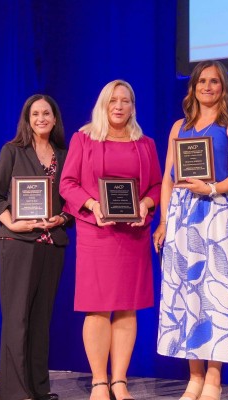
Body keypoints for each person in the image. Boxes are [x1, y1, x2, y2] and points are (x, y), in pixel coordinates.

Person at [59, 80, 162, 400]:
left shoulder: (145, 144)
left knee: (128, 308)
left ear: (133, 106)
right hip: (96, 232)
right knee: (98, 308)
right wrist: (92, 205)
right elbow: (67, 183)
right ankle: (99, 382)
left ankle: (120, 381)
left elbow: (158, 187)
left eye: (126, 101)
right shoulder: (83, 139)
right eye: (113, 101)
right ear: (103, 105)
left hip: (132, 235)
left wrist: (145, 205)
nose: (119, 106)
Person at [154, 60, 228, 400]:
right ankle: (194, 377)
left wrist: (214, 188)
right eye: (202, 82)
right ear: (192, 87)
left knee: (218, 293)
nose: (208, 87)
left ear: (224, 88)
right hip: (182, 216)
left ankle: (213, 378)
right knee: (189, 291)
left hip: (219, 213)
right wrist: (164, 221)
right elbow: (167, 177)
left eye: (215, 82)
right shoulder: (179, 126)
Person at [0, 94, 71, 400]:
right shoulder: (12, 151)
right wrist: (11, 222)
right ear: (27, 119)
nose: (40, 118)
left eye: (46, 113)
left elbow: (72, 199)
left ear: (54, 117)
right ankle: (16, 392)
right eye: (34, 114)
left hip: (52, 243)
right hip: (18, 241)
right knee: (17, 317)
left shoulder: (65, 153)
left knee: (40, 319)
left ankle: (39, 388)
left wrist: (62, 217)